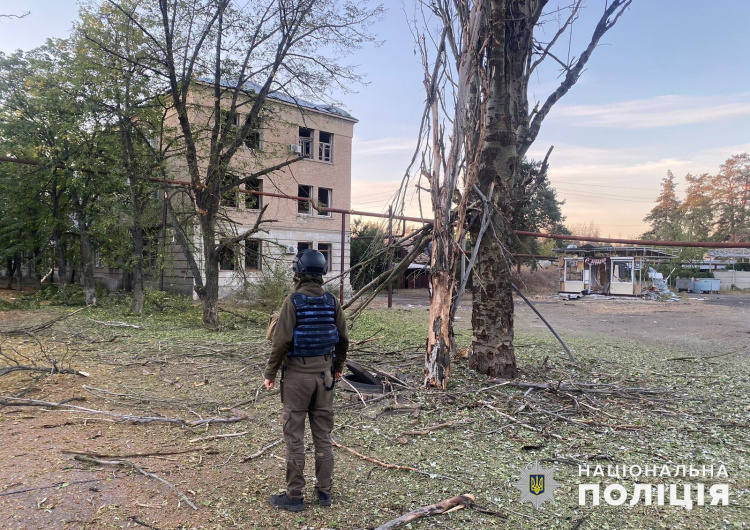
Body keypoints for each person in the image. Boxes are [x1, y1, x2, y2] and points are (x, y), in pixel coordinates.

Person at [264, 249, 348, 512]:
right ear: (322, 273)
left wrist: (270, 373)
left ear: (298, 272)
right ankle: (325, 493)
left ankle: (294, 496)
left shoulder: (293, 301)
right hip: (324, 378)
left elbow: (281, 342)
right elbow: (343, 339)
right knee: (323, 436)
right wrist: (337, 367)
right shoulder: (332, 301)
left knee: (294, 437)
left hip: (297, 379)